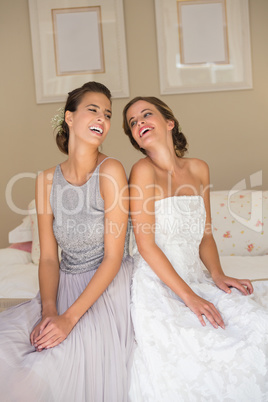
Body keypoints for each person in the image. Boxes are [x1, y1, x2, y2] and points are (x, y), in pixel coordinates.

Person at [123, 96, 268, 401]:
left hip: (196, 277)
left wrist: (217, 275)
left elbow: (205, 235)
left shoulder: (199, 168)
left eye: (146, 115)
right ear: (135, 138)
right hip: (159, 283)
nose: (139, 124)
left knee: (258, 325)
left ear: (169, 122)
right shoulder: (142, 171)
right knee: (212, 349)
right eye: (133, 123)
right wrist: (190, 298)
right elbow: (146, 246)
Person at [0, 82, 134, 402]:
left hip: (107, 286)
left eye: (108, 114)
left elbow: (113, 258)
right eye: (93, 109)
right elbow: (48, 258)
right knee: (9, 353)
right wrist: (49, 310)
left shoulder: (111, 170)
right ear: (69, 118)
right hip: (60, 288)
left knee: (46, 372)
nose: (102, 117)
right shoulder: (46, 180)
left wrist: (68, 319)